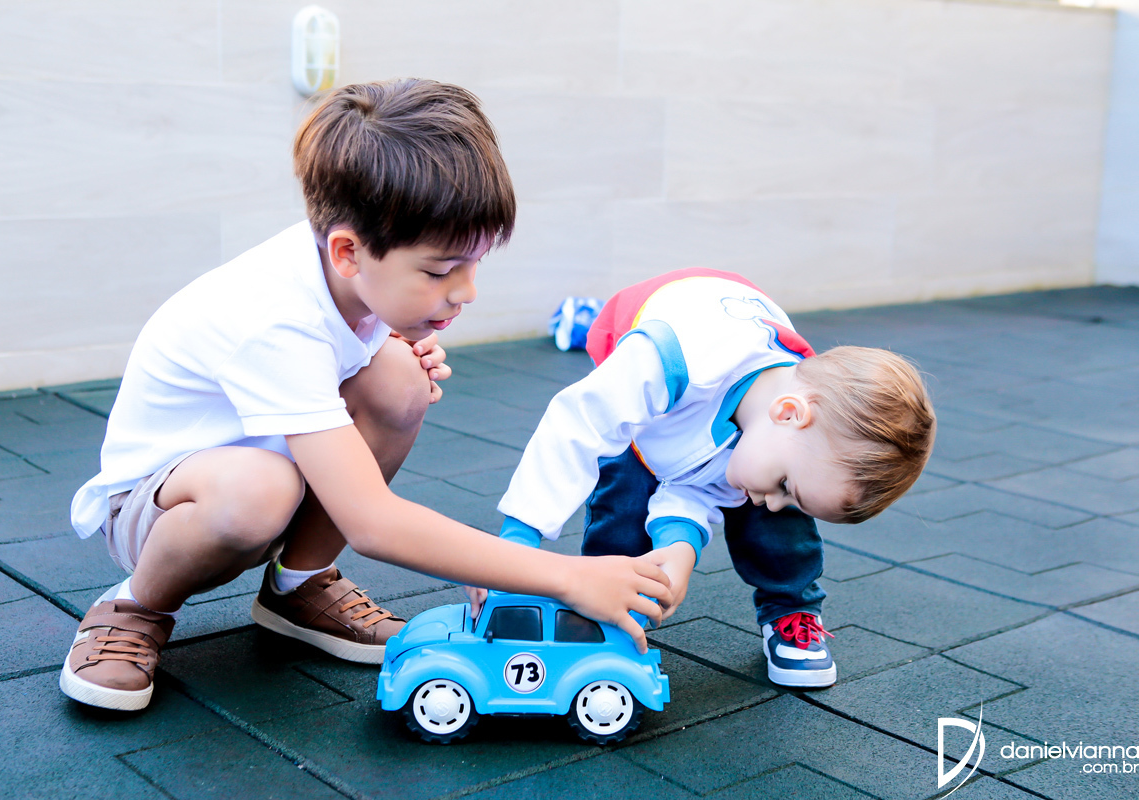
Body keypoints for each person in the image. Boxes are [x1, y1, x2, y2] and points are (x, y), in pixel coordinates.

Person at [60, 79, 671, 713]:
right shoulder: (274, 318)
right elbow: (373, 523)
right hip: (159, 507)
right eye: (440, 271)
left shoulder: (353, 275)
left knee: (399, 379)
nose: (466, 291)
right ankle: (134, 607)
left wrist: (394, 341)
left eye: (475, 264)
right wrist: (566, 576)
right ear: (348, 251)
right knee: (258, 490)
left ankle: (296, 585)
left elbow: (360, 359)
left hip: (270, 472)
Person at [493, 268, 935, 689]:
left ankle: (791, 609)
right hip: (669, 348)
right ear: (787, 413)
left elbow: (697, 480)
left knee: (775, 509)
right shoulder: (667, 360)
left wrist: (679, 543)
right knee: (625, 499)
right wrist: (517, 541)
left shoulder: (779, 430)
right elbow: (575, 427)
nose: (774, 501)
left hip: (727, 398)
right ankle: (603, 606)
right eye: (785, 486)